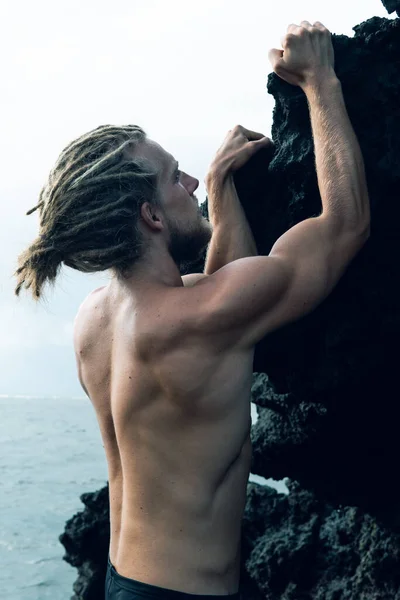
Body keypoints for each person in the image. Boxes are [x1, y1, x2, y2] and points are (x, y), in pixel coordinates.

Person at [14, 20, 370, 600]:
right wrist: (320, 81)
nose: (187, 182)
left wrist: (217, 188)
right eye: (175, 176)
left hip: (123, 581)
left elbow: (217, 292)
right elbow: (346, 224)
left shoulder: (96, 321)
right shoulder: (201, 318)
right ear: (151, 218)